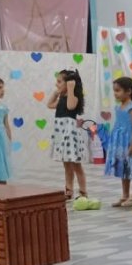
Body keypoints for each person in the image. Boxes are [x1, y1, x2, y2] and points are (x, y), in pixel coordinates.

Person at [105, 76, 132, 207]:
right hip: (120, 144)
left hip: (130, 142)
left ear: (128, 91)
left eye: (118, 90)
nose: (115, 93)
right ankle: (125, 195)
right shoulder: (119, 107)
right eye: (114, 91)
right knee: (124, 169)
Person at [47, 69, 89, 199]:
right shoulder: (61, 98)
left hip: (70, 134)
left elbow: (71, 107)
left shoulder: (73, 97)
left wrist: (71, 89)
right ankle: (69, 189)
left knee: (76, 164)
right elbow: (49, 105)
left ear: (69, 83)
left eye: (59, 82)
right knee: (66, 165)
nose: (56, 84)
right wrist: (56, 93)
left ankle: (83, 191)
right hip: (61, 132)